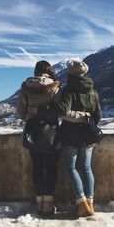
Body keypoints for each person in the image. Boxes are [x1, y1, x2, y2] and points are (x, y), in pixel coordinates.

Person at [16, 60, 88, 216]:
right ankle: (48, 205)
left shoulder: (25, 88)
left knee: (37, 167)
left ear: (35, 71)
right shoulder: (55, 87)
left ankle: (40, 204)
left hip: (32, 132)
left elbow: (20, 113)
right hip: (51, 133)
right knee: (51, 168)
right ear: (50, 70)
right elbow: (60, 110)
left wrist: (31, 116)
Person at [42, 60, 102, 218]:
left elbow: (62, 109)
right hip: (88, 136)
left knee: (71, 167)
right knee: (86, 168)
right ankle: (90, 203)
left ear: (69, 73)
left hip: (70, 135)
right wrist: (87, 119)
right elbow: (98, 115)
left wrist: (48, 111)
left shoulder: (69, 89)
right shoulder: (93, 90)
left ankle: (81, 202)